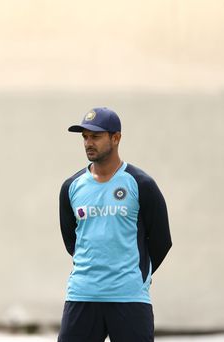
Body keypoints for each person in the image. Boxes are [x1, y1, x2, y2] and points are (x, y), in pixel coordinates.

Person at [57, 107, 172, 342]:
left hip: (129, 297)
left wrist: (136, 274)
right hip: (83, 295)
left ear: (116, 138)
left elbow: (161, 241)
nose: (89, 143)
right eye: (85, 137)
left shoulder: (141, 184)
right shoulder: (72, 186)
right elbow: (73, 241)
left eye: (96, 136)